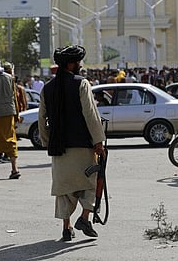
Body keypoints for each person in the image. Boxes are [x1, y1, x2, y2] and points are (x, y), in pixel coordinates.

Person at [38, 45, 106, 242]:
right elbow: (91, 115)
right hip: (83, 146)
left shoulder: (47, 88)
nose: (80, 65)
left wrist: (46, 141)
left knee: (64, 190)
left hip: (59, 148)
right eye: (78, 62)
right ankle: (84, 218)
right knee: (90, 184)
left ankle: (66, 228)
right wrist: (99, 141)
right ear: (71, 64)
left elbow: (42, 118)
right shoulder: (81, 84)